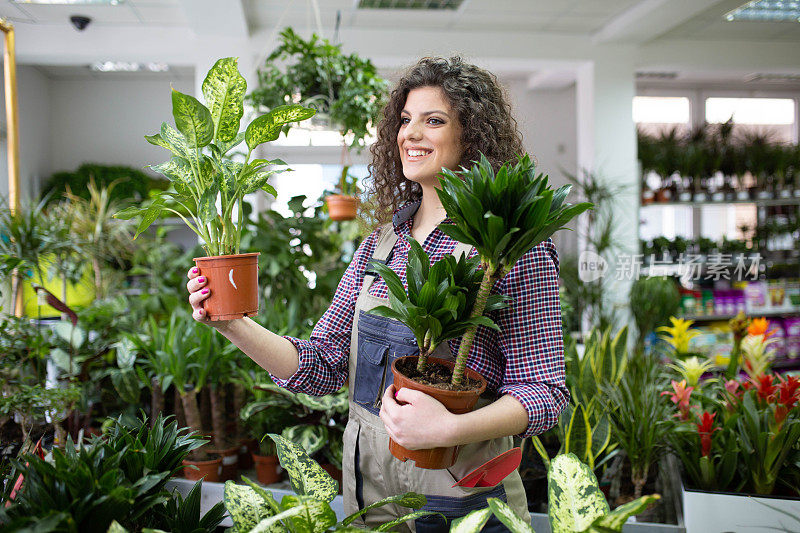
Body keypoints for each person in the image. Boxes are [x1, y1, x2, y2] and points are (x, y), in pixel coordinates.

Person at [187, 56, 567, 532]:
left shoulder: (511, 246)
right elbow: (321, 365)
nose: (410, 133)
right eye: (405, 120)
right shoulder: (380, 244)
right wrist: (232, 324)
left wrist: (449, 428)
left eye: (434, 120)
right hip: (367, 482)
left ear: (473, 135)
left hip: (459, 484)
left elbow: (545, 393)